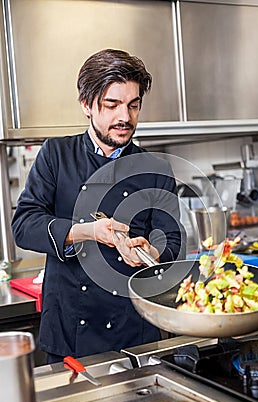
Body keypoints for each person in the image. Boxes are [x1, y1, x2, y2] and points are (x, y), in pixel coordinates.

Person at [12, 49, 185, 363]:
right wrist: (86, 232)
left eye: (134, 105)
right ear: (86, 105)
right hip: (69, 332)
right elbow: (24, 226)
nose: (125, 117)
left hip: (133, 332)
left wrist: (152, 253)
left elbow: (172, 239)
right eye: (112, 105)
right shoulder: (56, 155)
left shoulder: (154, 168)